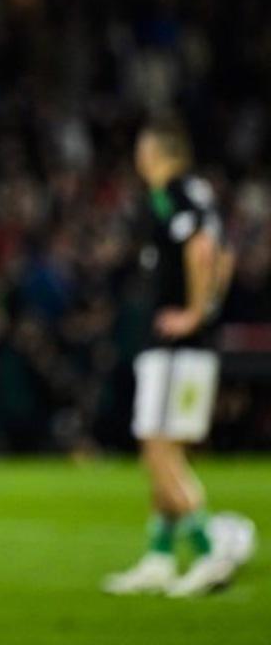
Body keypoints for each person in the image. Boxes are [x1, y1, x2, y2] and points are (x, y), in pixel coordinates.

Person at [102, 120, 255, 597]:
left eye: (141, 149)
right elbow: (225, 256)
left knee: (158, 449)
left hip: (175, 348)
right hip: (189, 350)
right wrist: (210, 308)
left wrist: (193, 313)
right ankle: (160, 556)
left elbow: (204, 248)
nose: (137, 159)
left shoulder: (173, 192)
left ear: (155, 152)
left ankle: (210, 548)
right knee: (164, 451)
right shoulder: (200, 193)